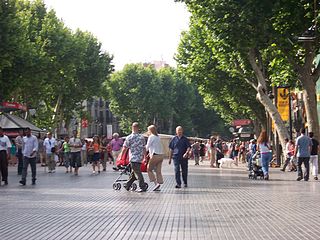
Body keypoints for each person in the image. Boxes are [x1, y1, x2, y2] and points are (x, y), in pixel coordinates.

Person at [123, 122, 147, 192]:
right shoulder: (142, 137)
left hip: (133, 158)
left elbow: (125, 148)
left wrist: (122, 157)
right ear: (138, 128)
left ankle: (142, 186)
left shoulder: (129, 137)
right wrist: (145, 157)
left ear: (132, 128)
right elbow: (144, 148)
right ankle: (127, 185)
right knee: (134, 172)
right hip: (140, 158)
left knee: (138, 173)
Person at [146, 125, 164, 191]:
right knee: (158, 171)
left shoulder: (151, 137)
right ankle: (160, 182)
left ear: (150, 130)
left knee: (149, 169)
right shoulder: (158, 137)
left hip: (155, 155)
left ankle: (156, 183)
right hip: (161, 155)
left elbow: (147, 147)